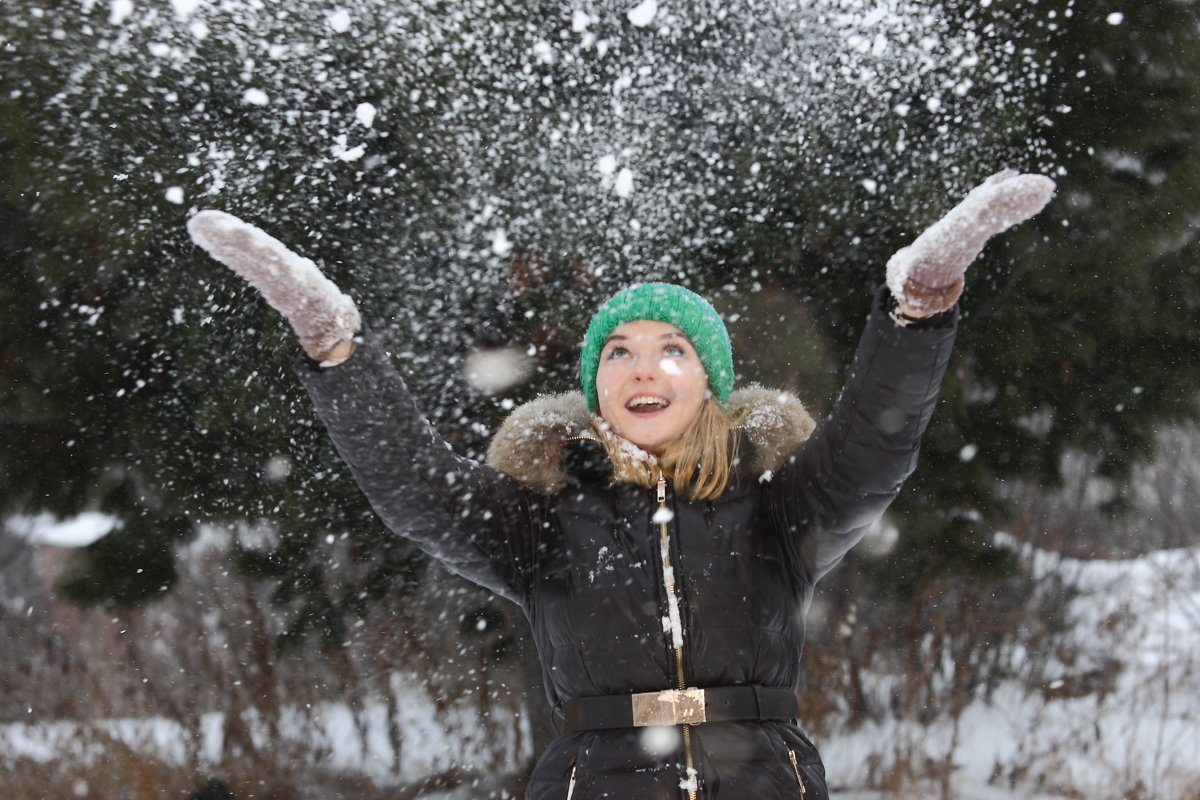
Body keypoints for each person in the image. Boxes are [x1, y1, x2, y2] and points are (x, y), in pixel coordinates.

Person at [188, 170, 1055, 799]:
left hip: (766, 781)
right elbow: (413, 487)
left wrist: (920, 305)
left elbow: (875, 441)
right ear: (595, 385)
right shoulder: (542, 515)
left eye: (671, 351)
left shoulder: (779, 503)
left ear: (708, 382)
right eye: (619, 352)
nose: (644, 369)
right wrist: (334, 345)